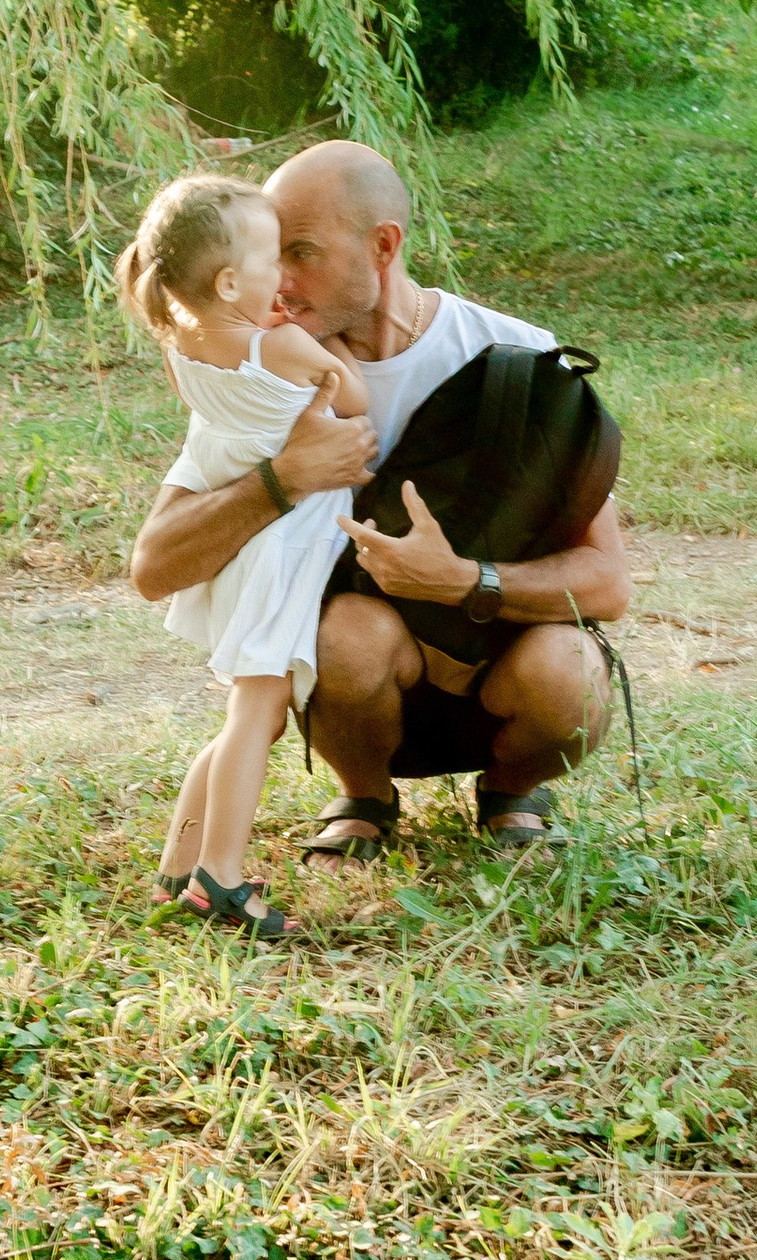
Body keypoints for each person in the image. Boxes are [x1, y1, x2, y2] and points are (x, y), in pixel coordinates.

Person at [127, 138, 630, 866]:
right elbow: (154, 567)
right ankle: (363, 796)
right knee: (344, 634)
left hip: (503, 666)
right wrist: (283, 478)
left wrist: (461, 579)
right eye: (268, 253)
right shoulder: (269, 375)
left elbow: (608, 582)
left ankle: (512, 792)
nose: (278, 281)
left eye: (298, 251)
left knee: (571, 671)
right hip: (359, 683)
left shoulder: (516, 358)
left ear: (383, 245)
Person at [116, 171, 368, 940]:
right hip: (286, 551)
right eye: (270, 260)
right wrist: (325, 356)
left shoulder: (179, 346)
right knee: (255, 717)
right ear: (230, 281)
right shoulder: (287, 345)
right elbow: (354, 405)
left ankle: (177, 864)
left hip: (244, 552)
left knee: (249, 724)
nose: (285, 278)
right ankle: (220, 879)